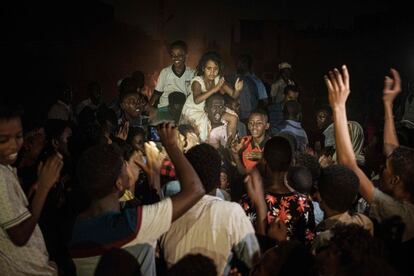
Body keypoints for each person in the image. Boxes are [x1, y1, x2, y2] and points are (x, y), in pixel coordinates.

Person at [69, 123, 205, 276]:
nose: (128, 168)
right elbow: (195, 189)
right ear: (119, 184)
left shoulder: (75, 227)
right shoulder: (132, 225)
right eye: (124, 167)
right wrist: (171, 144)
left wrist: (154, 176)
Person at [324, 65, 414, 242]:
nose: (382, 167)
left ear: (396, 180)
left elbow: (349, 165)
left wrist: (338, 107)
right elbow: (391, 151)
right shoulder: (403, 195)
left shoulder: (400, 212)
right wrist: (388, 104)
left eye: (386, 168)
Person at [160, 143, 260, 275]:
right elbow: (255, 262)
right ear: (218, 179)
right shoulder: (231, 213)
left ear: (185, 175)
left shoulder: (167, 211)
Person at [0, 99, 63, 275]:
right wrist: (43, 187)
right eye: (3, 139)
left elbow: (13, 215)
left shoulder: (7, 169)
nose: (14, 145)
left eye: (18, 136)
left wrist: (34, 191)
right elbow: (20, 236)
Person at [240, 136, 315, 243]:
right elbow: (308, 244)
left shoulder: (250, 200)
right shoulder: (304, 204)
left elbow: (244, 245)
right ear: (291, 163)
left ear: (264, 161)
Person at [180, 51, 243, 142]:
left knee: (233, 118)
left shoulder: (218, 79)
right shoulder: (197, 82)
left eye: (215, 69)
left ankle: (229, 146)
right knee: (204, 128)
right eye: (209, 68)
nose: (212, 72)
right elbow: (197, 100)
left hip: (210, 108)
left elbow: (234, 95)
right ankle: (203, 149)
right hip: (195, 110)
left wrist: (237, 90)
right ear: (203, 68)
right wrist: (215, 88)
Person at [151, 40, 195, 117]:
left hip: (182, 110)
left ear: (186, 55)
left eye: (179, 55)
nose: (176, 58)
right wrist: (149, 109)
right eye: (173, 55)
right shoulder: (165, 72)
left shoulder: (192, 73)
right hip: (165, 109)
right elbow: (156, 94)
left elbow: (193, 96)